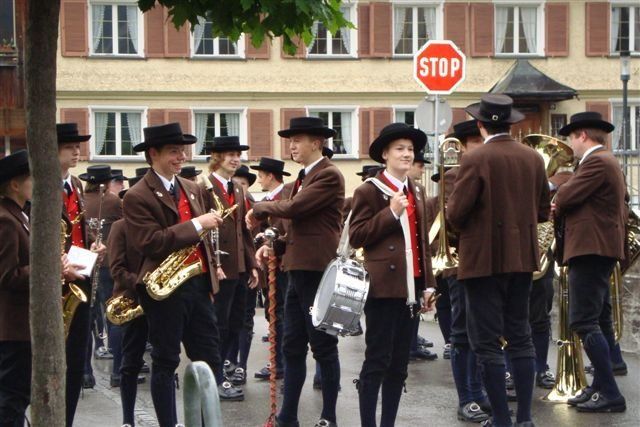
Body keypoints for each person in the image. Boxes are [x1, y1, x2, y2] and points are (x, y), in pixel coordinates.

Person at [447, 95, 550, 427]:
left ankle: (502, 419)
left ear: (480, 125)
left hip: (483, 262)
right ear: (511, 123)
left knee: (487, 342)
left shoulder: (475, 158)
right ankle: (525, 418)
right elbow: (543, 211)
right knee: (520, 336)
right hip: (522, 259)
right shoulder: (533, 158)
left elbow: (455, 214)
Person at [123, 122, 225, 426]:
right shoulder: (137, 195)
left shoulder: (192, 188)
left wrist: (211, 274)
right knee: (166, 360)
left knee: (210, 357)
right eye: (173, 151)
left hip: (197, 284)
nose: (181, 157)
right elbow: (149, 242)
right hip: (164, 290)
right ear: (153, 154)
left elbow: (203, 238)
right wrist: (197, 224)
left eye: (182, 150)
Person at [247, 116, 345, 427]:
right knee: (292, 345)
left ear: (316, 143)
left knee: (323, 346)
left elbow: (295, 209)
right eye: (290, 141)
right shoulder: (305, 176)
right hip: (298, 269)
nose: (291, 146)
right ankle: (287, 416)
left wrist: (260, 207)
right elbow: (299, 228)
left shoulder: (328, 174)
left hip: (316, 271)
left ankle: (328, 417)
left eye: (297, 140)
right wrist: (274, 246)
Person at [349, 122, 436, 427]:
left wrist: (428, 285)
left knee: (399, 365)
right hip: (383, 289)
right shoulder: (369, 190)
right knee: (377, 360)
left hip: (411, 287)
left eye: (410, 149)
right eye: (400, 149)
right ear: (385, 154)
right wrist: (390, 213)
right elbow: (357, 236)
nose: (407, 154)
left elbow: (422, 243)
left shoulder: (417, 189)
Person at [553, 111, 627, 413]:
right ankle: (598, 386)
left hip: (591, 249)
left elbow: (565, 196)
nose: (570, 145)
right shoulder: (604, 161)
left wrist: (558, 195)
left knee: (583, 321)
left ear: (582, 135)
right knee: (597, 318)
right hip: (597, 248)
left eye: (571, 138)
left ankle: (610, 392)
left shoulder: (596, 161)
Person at [436, 119, 491, 422]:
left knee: (482, 332)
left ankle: (480, 392)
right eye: (477, 143)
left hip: (486, 262)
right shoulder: (454, 175)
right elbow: (454, 218)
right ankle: (467, 397)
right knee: (463, 333)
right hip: (460, 263)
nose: (483, 148)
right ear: (465, 147)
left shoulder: (491, 170)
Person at [58, 122, 107, 426]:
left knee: (76, 361)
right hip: (57, 283)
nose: (77, 152)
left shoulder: (75, 184)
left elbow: (79, 229)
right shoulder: (38, 185)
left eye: (78, 147)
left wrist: (93, 247)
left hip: (82, 280)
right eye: (69, 147)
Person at [203, 136, 259, 398]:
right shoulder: (203, 187)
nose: (236, 159)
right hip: (218, 268)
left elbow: (243, 231)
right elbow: (202, 233)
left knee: (236, 323)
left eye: (238, 155)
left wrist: (252, 264)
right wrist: (212, 264)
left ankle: (222, 369)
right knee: (218, 324)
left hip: (237, 267)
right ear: (217, 158)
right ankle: (214, 377)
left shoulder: (237, 188)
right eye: (230, 155)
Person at [80, 165, 124, 388]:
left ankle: (86, 373)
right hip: (107, 263)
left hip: (84, 263)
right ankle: (117, 371)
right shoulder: (114, 201)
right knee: (113, 315)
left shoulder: (80, 200)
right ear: (107, 182)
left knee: (87, 317)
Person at [0, 151, 34, 427]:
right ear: (14, 184)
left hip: (19, 325)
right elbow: (7, 276)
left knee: (18, 395)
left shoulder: (19, 215)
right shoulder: (6, 220)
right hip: (12, 327)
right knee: (12, 397)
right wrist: (46, 269)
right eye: (31, 178)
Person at [250, 157, 292, 381]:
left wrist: (268, 240)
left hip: (283, 265)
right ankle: (278, 362)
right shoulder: (270, 200)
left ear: (270, 176)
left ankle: (280, 364)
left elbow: (284, 229)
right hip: (271, 264)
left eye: (261, 176)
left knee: (280, 313)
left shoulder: (284, 198)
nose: (259, 181)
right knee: (273, 311)